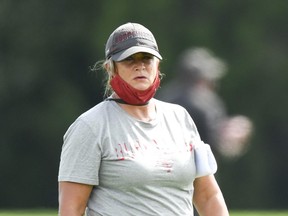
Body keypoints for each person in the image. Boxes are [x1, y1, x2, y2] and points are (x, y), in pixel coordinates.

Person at [58, 22, 229, 216]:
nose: (140, 66)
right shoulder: (90, 126)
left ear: (157, 65)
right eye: (129, 59)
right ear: (110, 68)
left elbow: (207, 196)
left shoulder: (180, 118)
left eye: (147, 59)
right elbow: (72, 209)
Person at [157, 47, 253, 159]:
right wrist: (230, 132)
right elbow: (216, 144)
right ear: (199, 79)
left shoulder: (165, 96)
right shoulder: (204, 105)